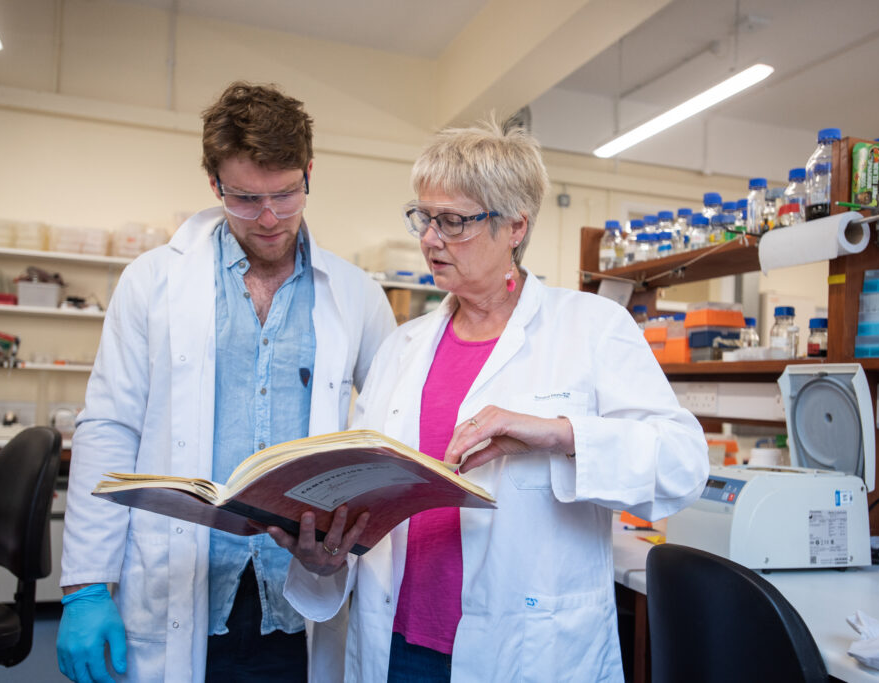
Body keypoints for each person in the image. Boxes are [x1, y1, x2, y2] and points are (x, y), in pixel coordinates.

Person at [270, 118, 709, 681]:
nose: (430, 238)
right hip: (396, 645)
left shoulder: (593, 327)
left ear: (515, 227)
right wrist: (325, 553)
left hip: (528, 650)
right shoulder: (402, 348)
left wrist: (560, 433)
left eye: (453, 221)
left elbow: (683, 465)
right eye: (424, 218)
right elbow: (366, 496)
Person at [56, 81, 396, 683]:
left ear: (309, 173)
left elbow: (391, 432)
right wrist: (86, 585)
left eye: (286, 195)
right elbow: (109, 427)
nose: (269, 218)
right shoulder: (152, 282)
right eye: (245, 198)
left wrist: (349, 531)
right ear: (214, 185)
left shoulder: (356, 295)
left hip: (300, 594)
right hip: (179, 584)